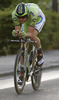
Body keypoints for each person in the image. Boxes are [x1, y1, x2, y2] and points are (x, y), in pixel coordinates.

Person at [12, 2, 46, 85]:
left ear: (27, 14)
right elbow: (19, 32)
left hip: (38, 19)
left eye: (23, 17)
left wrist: (22, 33)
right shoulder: (14, 15)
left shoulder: (32, 12)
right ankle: (22, 72)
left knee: (32, 36)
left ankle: (39, 53)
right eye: (19, 17)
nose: (21, 19)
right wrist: (17, 33)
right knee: (23, 41)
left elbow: (30, 34)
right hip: (28, 22)